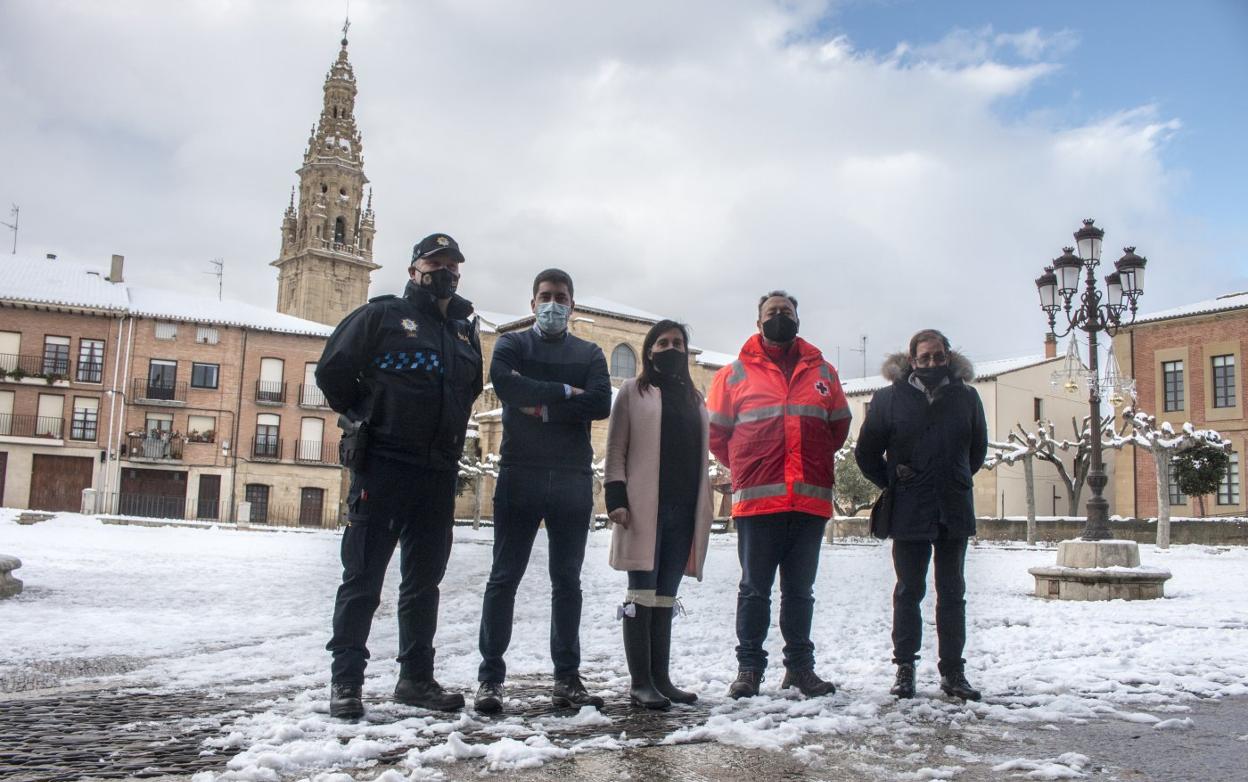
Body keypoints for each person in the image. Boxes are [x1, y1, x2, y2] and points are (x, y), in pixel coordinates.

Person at [316, 233, 483, 720]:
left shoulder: (463, 332)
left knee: (423, 584)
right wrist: (368, 414)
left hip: (438, 472)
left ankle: (415, 679)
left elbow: (469, 390)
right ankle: (346, 683)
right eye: (434, 262)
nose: (444, 270)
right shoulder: (381, 316)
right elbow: (332, 372)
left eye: (452, 263)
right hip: (384, 466)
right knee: (363, 580)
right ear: (414, 269)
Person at [474, 268, 612, 713]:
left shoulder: (590, 351)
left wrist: (543, 407)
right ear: (533, 303)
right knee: (503, 578)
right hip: (520, 473)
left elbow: (600, 403)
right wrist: (566, 393)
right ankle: (490, 679)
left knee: (567, 582)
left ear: (572, 304)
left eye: (562, 297)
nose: (554, 304)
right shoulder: (512, 344)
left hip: (572, 477)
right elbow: (507, 386)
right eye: (546, 296)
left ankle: (567, 678)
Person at [707, 291, 851, 699]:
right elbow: (717, 437)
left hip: (808, 501)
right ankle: (749, 668)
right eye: (772, 313)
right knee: (754, 589)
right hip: (757, 500)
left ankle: (800, 669)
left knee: (800, 592)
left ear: (798, 319)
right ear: (758, 323)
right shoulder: (732, 375)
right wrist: (749, 463)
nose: (780, 318)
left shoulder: (824, 371)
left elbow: (837, 429)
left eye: (786, 312)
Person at [854, 328, 988, 702]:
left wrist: (953, 476)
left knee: (952, 592)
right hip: (909, 507)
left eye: (938, 356)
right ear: (911, 360)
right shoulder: (888, 399)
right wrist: (894, 481)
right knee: (908, 591)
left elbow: (976, 451)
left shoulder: (968, 398)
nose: (932, 363)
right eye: (924, 357)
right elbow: (865, 453)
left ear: (949, 356)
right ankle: (905, 668)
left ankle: (953, 671)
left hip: (953, 507)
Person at [604, 320, 715, 710]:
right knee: (641, 594)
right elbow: (616, 446)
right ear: (649, 350)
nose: (671, 348)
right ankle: (640, 682)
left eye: (678, 342)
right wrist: (615, 495)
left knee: (666, 597)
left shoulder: (695, 398)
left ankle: (662, 678)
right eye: (663, 342)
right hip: (643, 508)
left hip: (684, 509)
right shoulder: (634, 391)